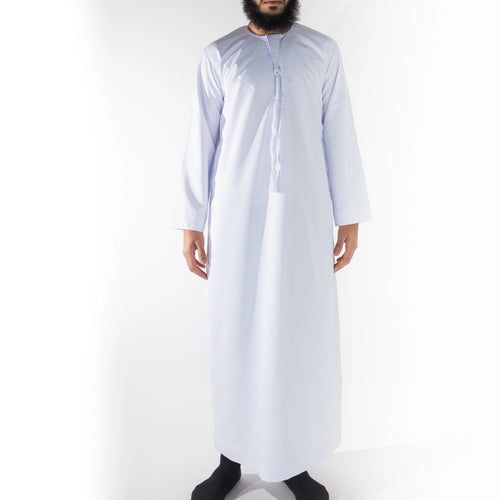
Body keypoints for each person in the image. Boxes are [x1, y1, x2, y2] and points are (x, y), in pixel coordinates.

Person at [173, 1, 372, 498]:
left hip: (302, 219)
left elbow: (338, 132)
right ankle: (230, 459)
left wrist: (348, 214)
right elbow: (201, 139)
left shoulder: (322, 53)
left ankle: (293, 460)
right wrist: (191, 222)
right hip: (236, 219)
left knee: (297, 336)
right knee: (235, 333)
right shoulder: (220, 56)